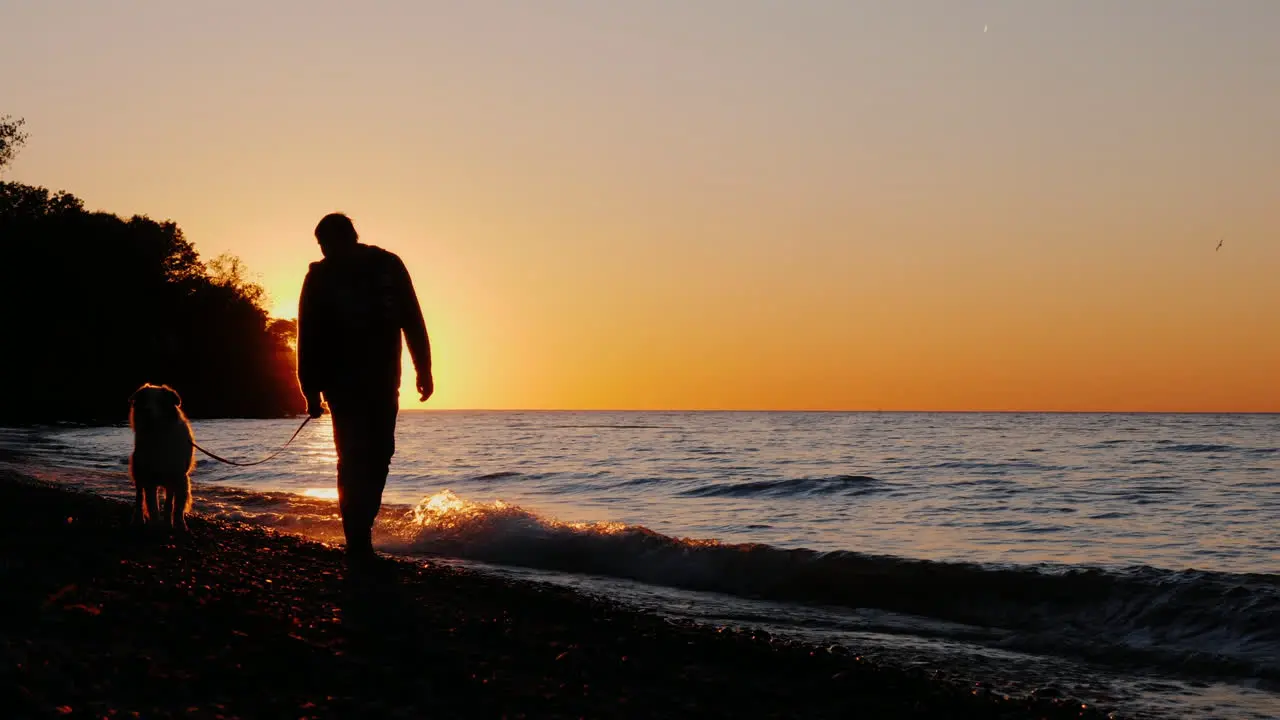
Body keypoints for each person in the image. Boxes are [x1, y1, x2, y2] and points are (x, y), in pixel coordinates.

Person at [296, 212, 433, 566]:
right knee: (353, 459)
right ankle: (357, 539)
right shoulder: (319, 276)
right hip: (342, 386)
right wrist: (310, 390)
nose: (325, 252)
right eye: (321, 247)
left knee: (380, 455)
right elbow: (307, 335)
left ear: (348, 239)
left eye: (327, 245)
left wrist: (424, 368)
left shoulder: (387, 266)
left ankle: (361, 530)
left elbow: (412, 318)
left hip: (383, 380)